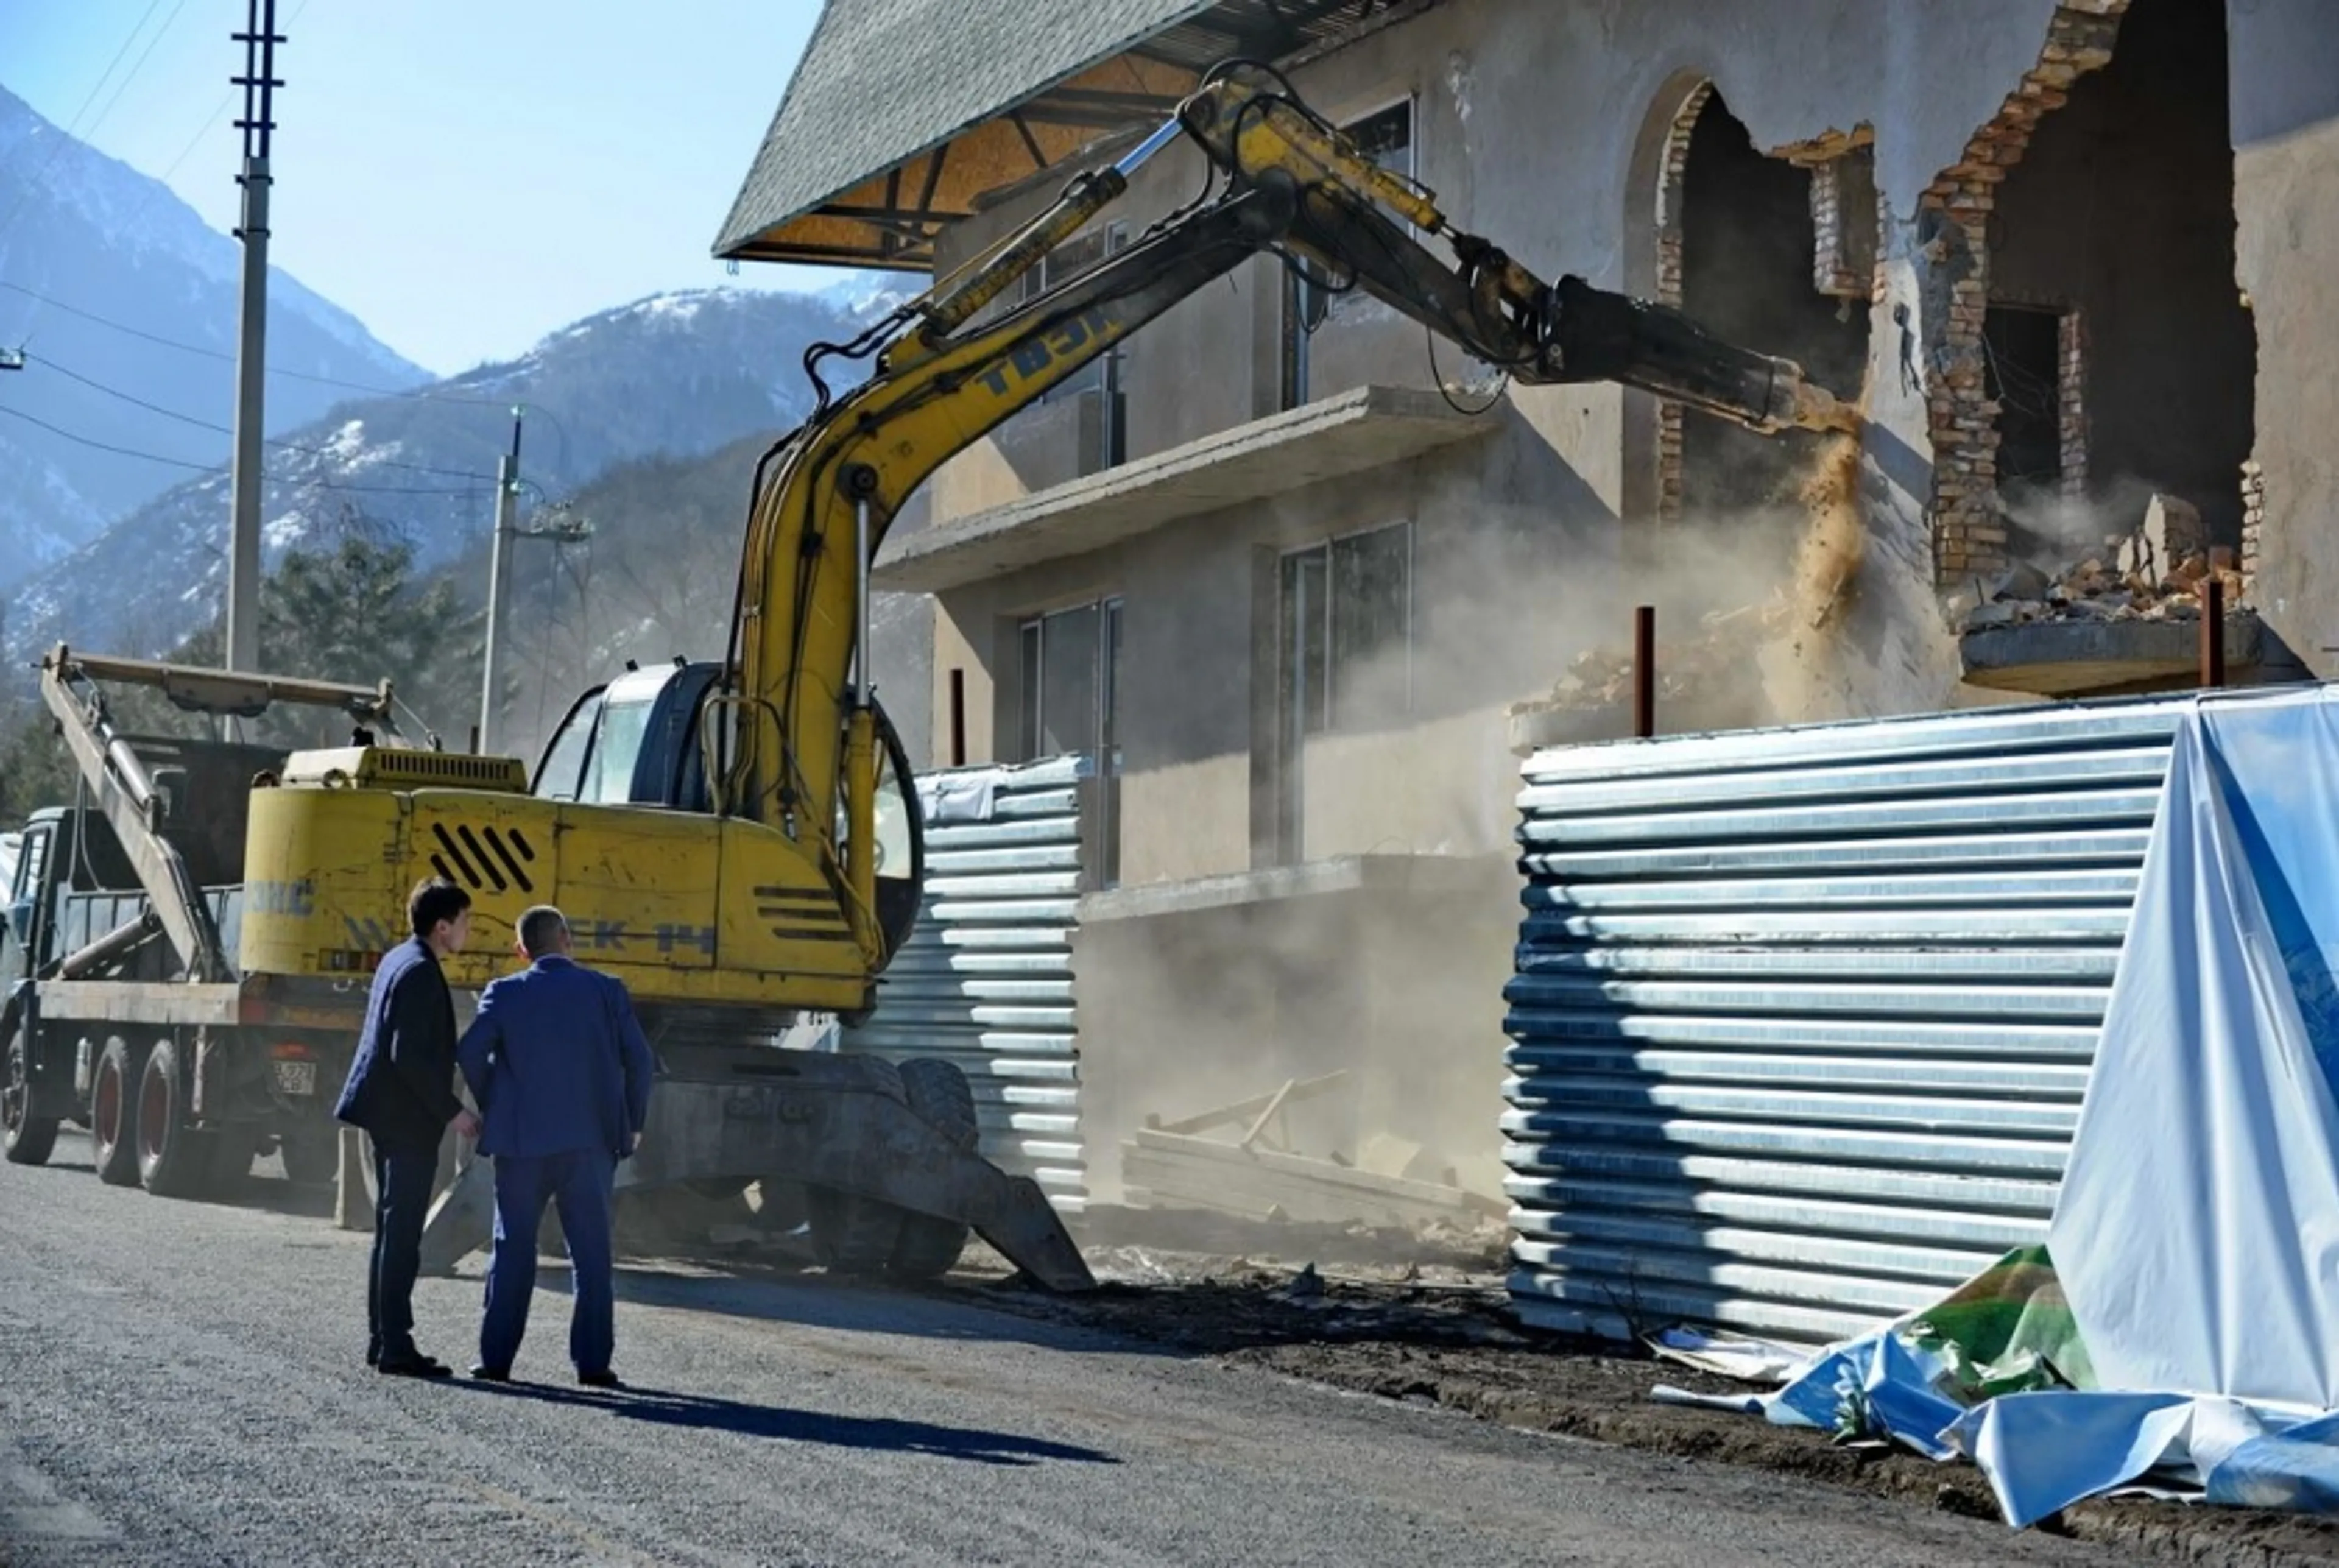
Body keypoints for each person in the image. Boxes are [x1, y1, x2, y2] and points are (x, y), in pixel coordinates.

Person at [456, 904, 655, 1387]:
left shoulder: (505, 992)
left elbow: (469, 1051)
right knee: (591, 1253)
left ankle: (496, 1360)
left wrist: (494, 1104)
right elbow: (641, 1060)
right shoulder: (607, 991)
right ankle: (593, 1364)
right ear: (567, 938)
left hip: (520, 1143)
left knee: (513, 1247)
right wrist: (633, 1123)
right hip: (590, 1144)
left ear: (521, 950)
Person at [333, 877, 482, 1378]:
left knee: (391, 1229)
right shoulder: (419, 971)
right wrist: (454, 1112)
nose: (469, 930)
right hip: (405, 1119)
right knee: (401, 1234)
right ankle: (395, 1344)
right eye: (465, 921)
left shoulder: (400, 958)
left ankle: (384, 1338)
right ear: (443, 926)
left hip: (387, 1113)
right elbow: (409, 1057)